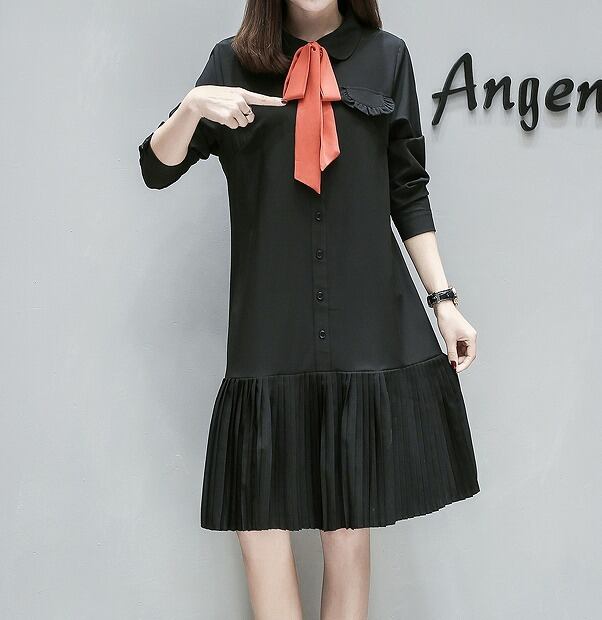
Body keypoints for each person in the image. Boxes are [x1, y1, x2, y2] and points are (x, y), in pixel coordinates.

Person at [138, 0, 480, 618]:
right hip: (270, 332)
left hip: (361, 332)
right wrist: (192, 107)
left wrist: (444, 301)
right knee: (260, 531)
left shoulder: (386, 57)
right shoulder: (231, 63)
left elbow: (407, 187)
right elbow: (155, 170)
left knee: (348, 535)